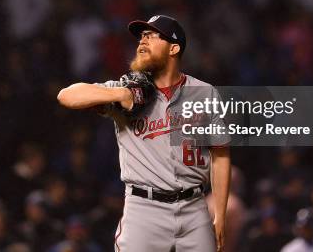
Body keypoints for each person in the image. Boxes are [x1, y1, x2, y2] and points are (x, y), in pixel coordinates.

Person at [58, 15, 231, 251]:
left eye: (151, 36)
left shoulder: (204, 93)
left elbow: (220, 156)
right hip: (144, 210)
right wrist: (121, 95)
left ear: (174, 48)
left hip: (194, 208)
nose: (142, 41)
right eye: (142, 37)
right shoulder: (127, 89)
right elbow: (67, 96)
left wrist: (219, 214)